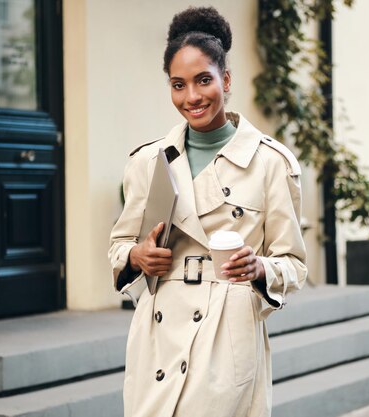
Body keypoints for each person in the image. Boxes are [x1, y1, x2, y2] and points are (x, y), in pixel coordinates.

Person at [108, 6, 307, 417]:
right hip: (159, 334)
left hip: (225, 330)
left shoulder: (269, 162)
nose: (192, 97)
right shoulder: (148, 161)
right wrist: (136, 255)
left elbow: (294, 264)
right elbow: (119, 245)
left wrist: (259, 268)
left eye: (203, 80)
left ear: (226, 79)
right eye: (178, 85)